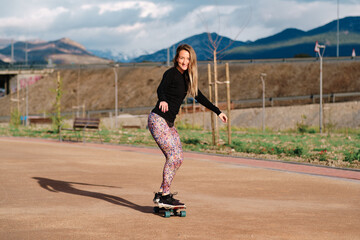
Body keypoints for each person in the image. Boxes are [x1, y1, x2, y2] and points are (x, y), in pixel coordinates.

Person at [148, 44, 228, 208]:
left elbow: (199, 97)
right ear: (177, 58)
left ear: (191, 60)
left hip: (169, 123)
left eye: (187, 58)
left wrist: (218, 111)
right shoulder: (171, 73)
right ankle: (165, 195)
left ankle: (162, 193)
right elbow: (161, 88)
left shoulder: (187, 78)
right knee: (173, 157)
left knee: (179, 159)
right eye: (182, 58)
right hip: (158, 119)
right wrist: (162, 99)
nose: (184, 61)